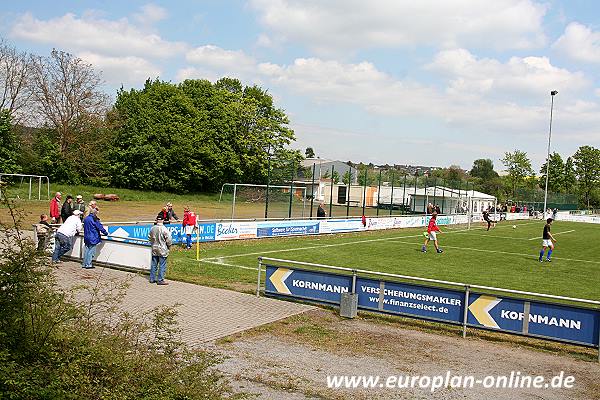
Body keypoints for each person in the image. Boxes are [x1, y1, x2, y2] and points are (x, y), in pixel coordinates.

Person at [148, 216, 172, 285]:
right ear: (163, 220)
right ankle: (160, 279)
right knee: (162, 264)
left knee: (154, 264)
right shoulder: (164, 229)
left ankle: (152, 278)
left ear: (156, 220)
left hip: (154, 248)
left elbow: (149, 238)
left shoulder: (152, 228)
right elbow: (169, 239)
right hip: (162, 248)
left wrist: (152, 244)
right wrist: (169, 246)